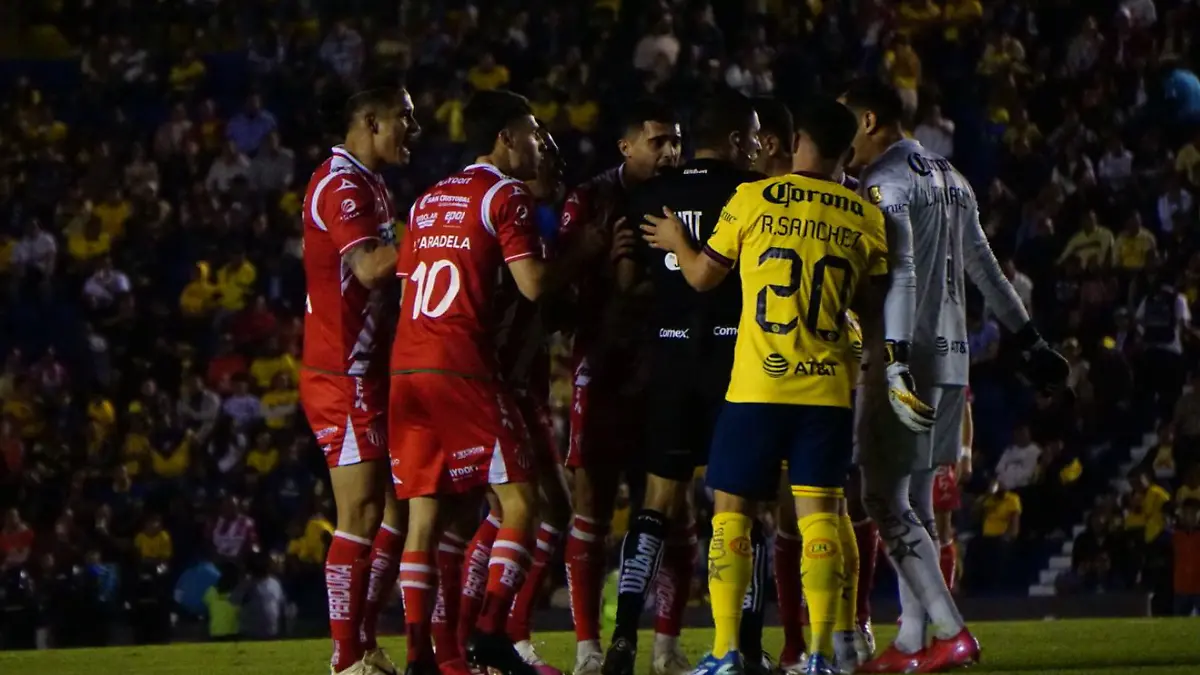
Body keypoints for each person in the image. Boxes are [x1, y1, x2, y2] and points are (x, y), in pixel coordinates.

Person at [641, 95, 933, 675]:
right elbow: (875, 310)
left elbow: (700, 278)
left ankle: (727, 651)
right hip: (826, 391)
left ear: (797, 142)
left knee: (731, 514)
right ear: (847, 152)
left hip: (756, 385)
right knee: (821, 518)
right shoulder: (864, 216)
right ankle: (822, 653)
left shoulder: (753, 198)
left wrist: (677, 241)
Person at [840, 78, 1068, 673]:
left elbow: (899, 274)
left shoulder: (881, 182)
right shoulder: (952, 177)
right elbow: (985, 269)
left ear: (869, 121)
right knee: (915, 500)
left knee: (880, 498)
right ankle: (912, 641)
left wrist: (890, 359)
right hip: (951, 357)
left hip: (904, 355)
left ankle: (949, 630)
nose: (842, 140)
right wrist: (1029, 338)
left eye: (846, 124)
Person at [388, 89, 602, 675]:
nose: (538, 144)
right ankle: (490, 633)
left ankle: (423, 658)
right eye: (531, 132)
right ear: (507, 137)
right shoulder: (504, 194)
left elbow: (408, 292)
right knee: (522, 503)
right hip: (461, 367)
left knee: (427, 519)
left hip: (406, 366)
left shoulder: (428, 199)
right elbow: (533, 284)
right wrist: (583, 252)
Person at [604, 89, 763, 675]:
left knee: (656, 504)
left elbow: (626, 285)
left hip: (670, 359)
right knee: (738, 508)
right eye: (753, 136)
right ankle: (744, 644)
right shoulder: (751, 195)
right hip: (733, 363)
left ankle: (623, 638)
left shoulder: (650, 196)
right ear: (737, 139)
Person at [556, 97, 682, 675]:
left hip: (666, 362)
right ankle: (587, 649)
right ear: (626, 147)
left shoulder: (686, 196)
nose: (671, 151)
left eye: (676, 141)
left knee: (674, 510)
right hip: (603, 363)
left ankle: (666, 648)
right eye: (659, 142)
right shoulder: (590, 200)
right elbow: (563, 282)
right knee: (592, 507)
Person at [299, 85, 420, 675]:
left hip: (371, 371)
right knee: (362, 514)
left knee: (397, 512)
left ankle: (365, 642)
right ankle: (346, 658)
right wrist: (431, 229)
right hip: (341, 375)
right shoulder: (341, 184)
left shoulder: (370, 183)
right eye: (405, 118)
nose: (413, 129)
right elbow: (371, 268)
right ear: (371, 121)